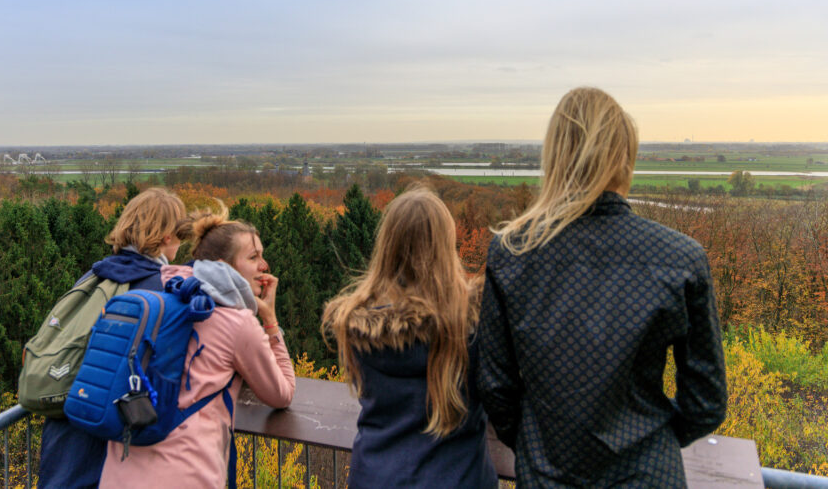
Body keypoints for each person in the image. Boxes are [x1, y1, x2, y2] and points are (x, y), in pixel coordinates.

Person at [476, 87, 728, 488]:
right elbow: (707, 401)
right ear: (624, 160)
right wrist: (652, 441)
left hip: (547, 477)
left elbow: (496, 389)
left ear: (555, 156)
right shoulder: (681, 259)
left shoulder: (512, 254)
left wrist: (541, 446)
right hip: (649, 477)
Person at [99, 206, 295, 489]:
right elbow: (283, 393)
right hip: (186, 474)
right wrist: (270, 320)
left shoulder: (158, 297)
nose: (264, 265)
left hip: (119, 470)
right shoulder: (238, 324)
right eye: (254, 257)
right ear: (222, 265)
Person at [322, 187, 498, 488]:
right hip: (459, 478)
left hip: (374, 477)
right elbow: (501, 396)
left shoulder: (358, 328)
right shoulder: (470, 325)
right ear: (446, 246)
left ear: (387, 245)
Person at [38, 186, 188, 489]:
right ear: (167, 236)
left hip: (64, 429)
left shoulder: (96, 276)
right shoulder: (158, 290)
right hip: (106, 439)